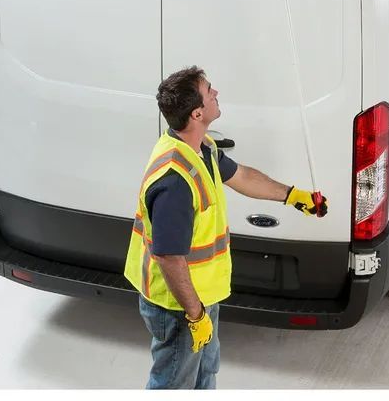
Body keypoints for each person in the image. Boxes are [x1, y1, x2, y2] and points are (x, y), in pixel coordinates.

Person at [124, 65, 328, 390]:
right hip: (177, 305)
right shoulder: (175, 180)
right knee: (173, 385)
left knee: (205, 375)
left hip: (201, 295)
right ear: (196, 113)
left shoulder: (202, 148)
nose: (216, 93)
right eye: (209, 91)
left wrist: (292, 196)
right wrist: (194, 316)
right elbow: (168, 258)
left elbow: (242, 176)